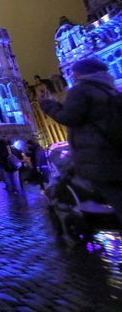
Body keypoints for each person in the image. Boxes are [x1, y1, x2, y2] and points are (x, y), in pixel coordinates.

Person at [40, 58, 122, 222]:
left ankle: (96, 216)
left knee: (110, 195)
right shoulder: (111, 90)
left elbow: (69, 117)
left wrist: (48, 105)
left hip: (96, 155)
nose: (72, 75)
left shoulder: (82, 90)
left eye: (74, 72)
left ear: (83, 73)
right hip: (115, 152)